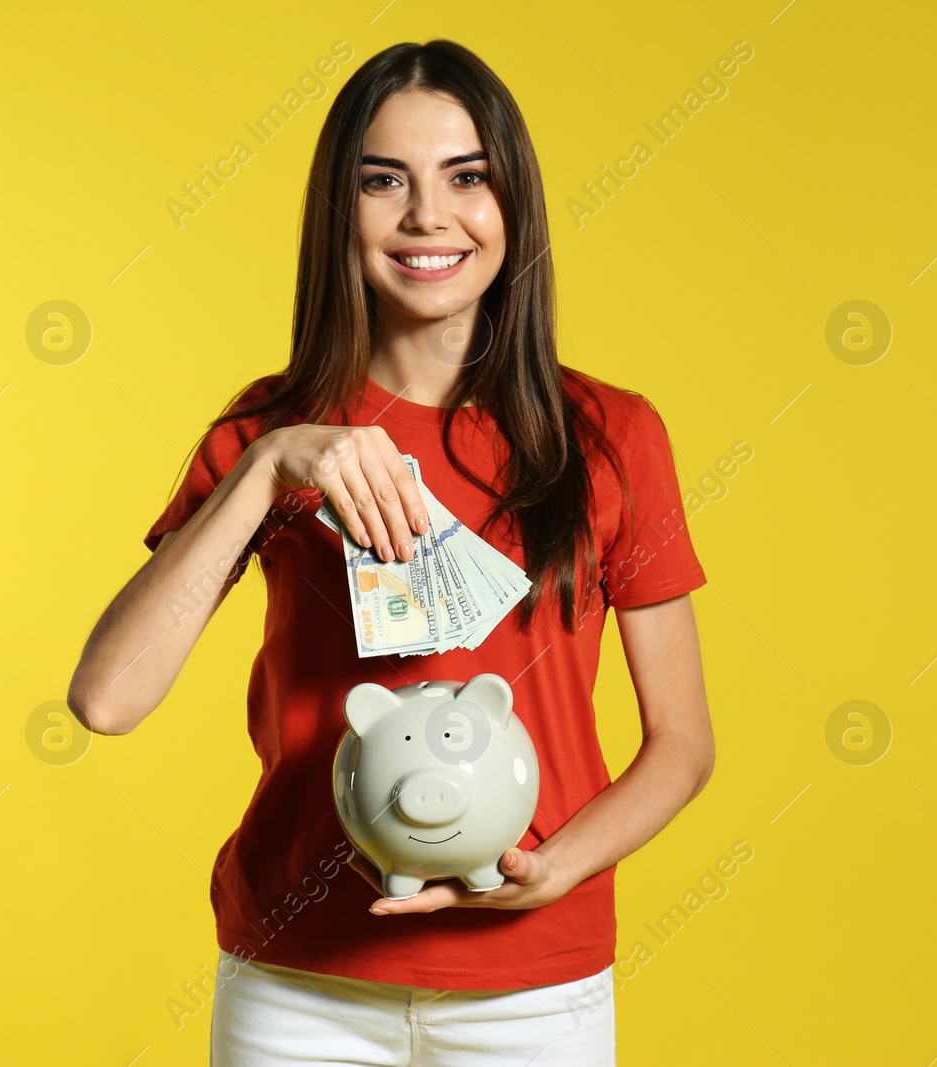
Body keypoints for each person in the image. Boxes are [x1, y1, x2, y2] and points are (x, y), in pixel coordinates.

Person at [67, 39, 714, 1066]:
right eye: (383, 182)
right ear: (341, 211)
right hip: (300, 983)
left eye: (467, 178)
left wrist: (554, 868)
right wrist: (272, 464)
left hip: (533, 986)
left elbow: (681, 743)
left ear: (514, 204)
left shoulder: (613, 434)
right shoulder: (266, 435)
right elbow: (107, 699)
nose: (427, 216)